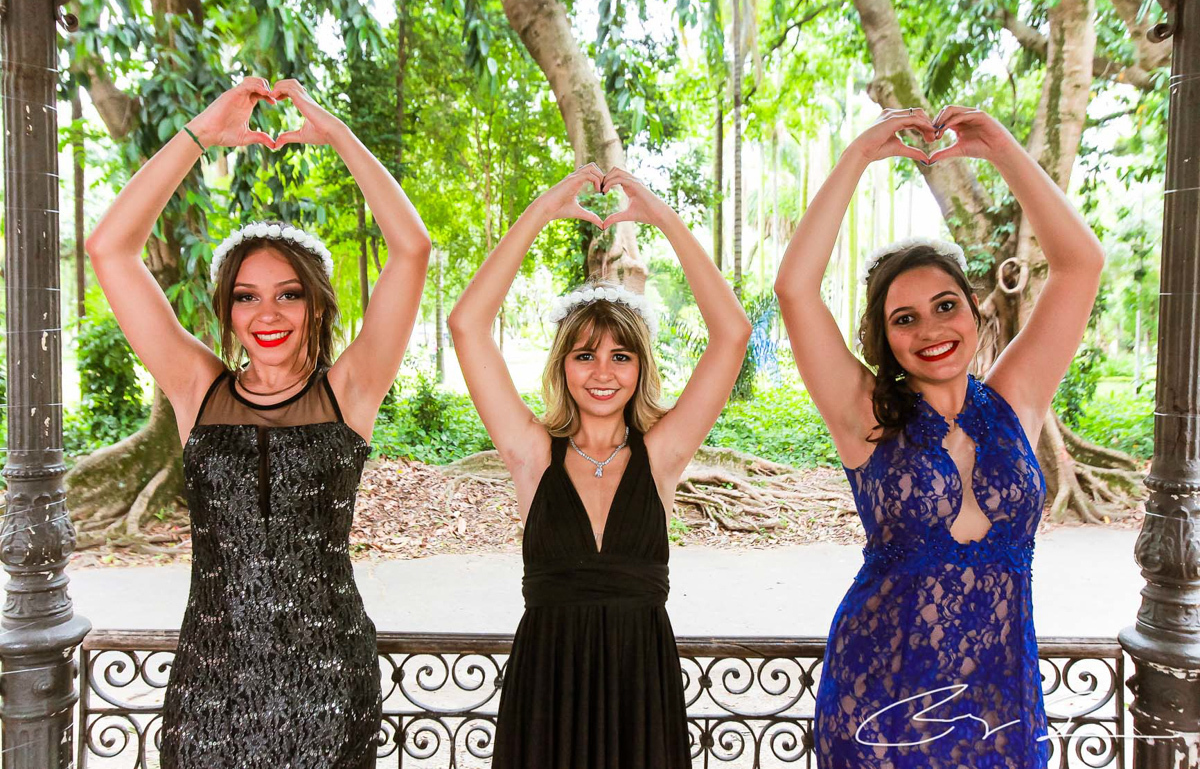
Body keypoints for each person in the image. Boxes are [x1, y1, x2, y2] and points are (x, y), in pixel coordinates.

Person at [84, 77, 431, 768]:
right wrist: (200, 136)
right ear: (227, 309)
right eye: (246, 297)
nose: (266, 315)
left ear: (317, 304)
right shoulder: (197, 388)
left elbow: (412, 249)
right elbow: (109, 249)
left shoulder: (351, 391)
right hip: (211, 686)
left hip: (329, 682)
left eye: (288, 294)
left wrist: (336, 135)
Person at [774, 106, 1104, 768]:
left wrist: (1002, 148)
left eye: (945, 306)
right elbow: (794, 288)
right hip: (881, 702)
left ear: (974, 311)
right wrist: (859, 156)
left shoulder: (1016, 399)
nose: (930, 329)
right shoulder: (867, 416)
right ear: (886, 339)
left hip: (1000, 703)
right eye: (905, 318)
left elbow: (1080, 263)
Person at [448, 164, 750, 768]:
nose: (603, 373)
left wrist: (662, 218)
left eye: (621, 356)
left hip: (641, 691)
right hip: (548, 693)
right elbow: (467, 324)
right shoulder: (533, 454)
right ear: (562, 366)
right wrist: (539, 212)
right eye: (585, 355)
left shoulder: (662, 454)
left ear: (641, 366)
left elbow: (732, 334)